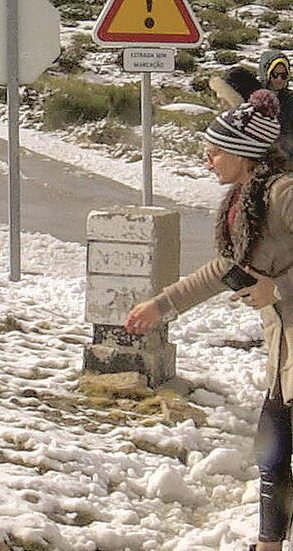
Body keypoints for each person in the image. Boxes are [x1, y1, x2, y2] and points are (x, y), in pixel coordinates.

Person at [123, 90, 293, 551]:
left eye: (215, 150)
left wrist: (277, 289)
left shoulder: (283, 194)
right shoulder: (246, 200)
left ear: (243, 152)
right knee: (271, 450)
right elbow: (226, 267)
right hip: (284, 353)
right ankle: (268, 544)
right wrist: (162, 305)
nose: (207, 159)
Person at [259, 50, 293, 160]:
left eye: (283, 75)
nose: (279, 79)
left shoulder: (290, 100)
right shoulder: (254, 99)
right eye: (275, 75)